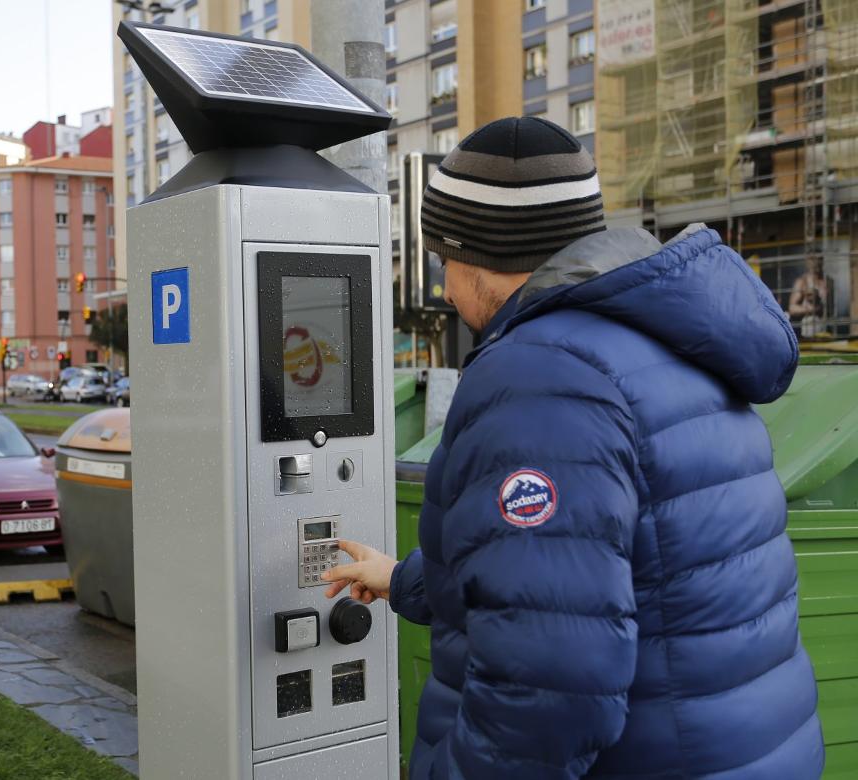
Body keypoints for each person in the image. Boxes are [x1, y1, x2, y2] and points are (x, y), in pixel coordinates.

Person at [324, 117, 824, 779]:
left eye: (445, 260)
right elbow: (610, 568)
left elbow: (550, 689)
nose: (444, 287)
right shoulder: (671, 343)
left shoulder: (539, 377)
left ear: (484, 255)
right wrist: (406, 581)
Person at [787, 255, 833, 338]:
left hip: (826, 327)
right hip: (809, 328)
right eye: (813, 260)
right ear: (807, 262)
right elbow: (792, 308)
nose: (816, 263)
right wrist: (812, 309)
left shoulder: (828, 281)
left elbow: (832, 307)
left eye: (819, 259)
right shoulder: (802, 282)